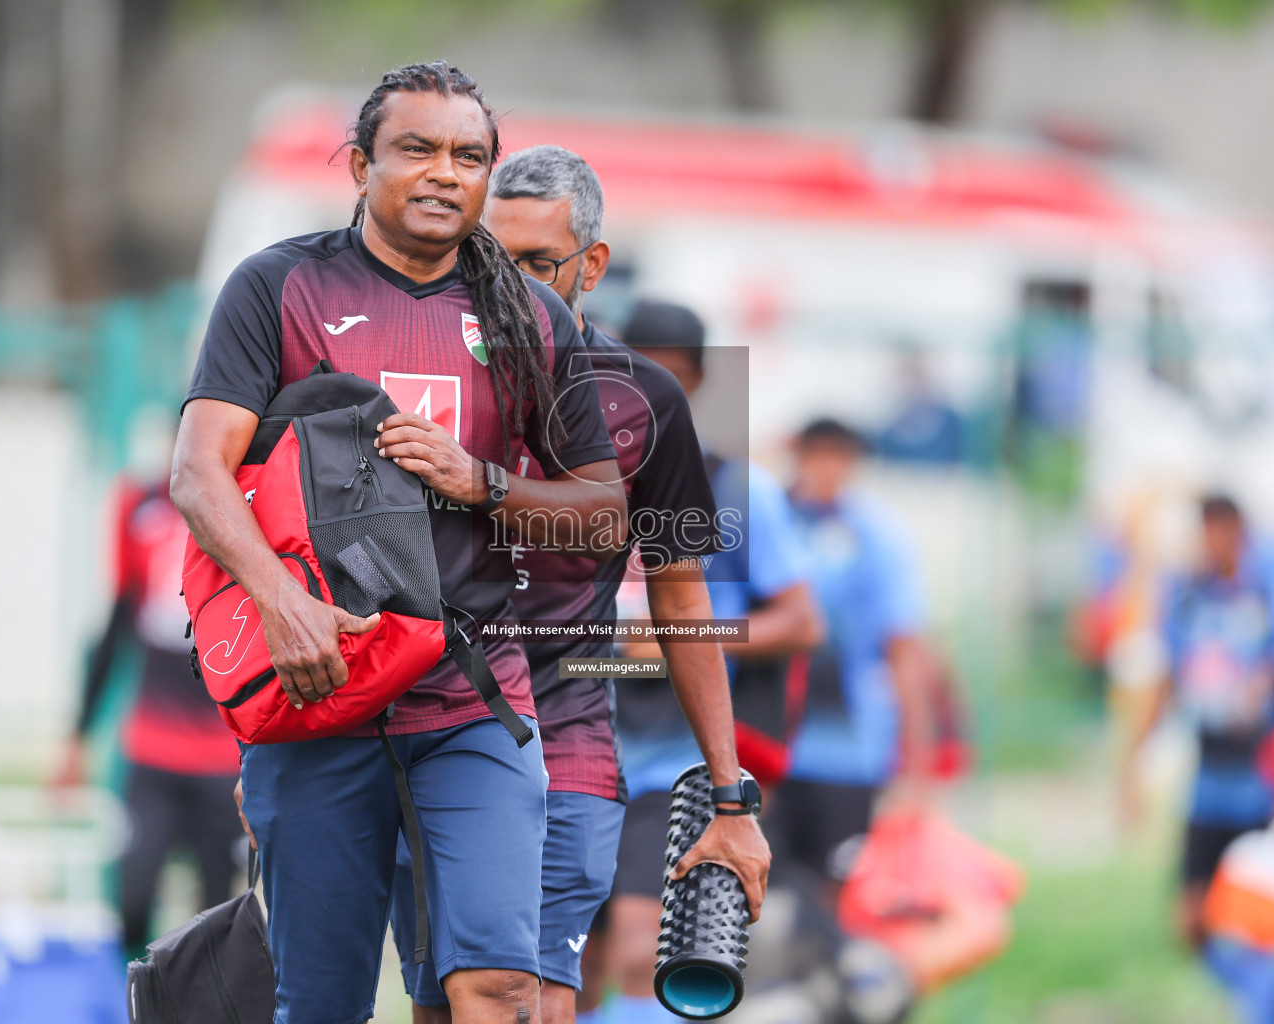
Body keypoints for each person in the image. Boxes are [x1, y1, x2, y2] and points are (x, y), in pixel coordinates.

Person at [170, 62, 628, 1024]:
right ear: (359, 164)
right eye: (415, 149)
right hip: (319, 687)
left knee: (498, 984)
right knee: (325, 1004)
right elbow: (199, 471)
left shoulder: (530, 317)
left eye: (469, 156)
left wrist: (483, 482)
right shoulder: (279, 286)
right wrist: (279, 600)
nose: (443, 173)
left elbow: (604, 511)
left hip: (471, 698)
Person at [389, 144, 771, 1024]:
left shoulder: (647, 400)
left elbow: (682, 595)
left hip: (567, 739)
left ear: (592, 266)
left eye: (536, 264)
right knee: (445, 1005)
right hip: (424, 733)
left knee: (534, 1002)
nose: (508, 286)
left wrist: (728, 792)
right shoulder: (422, 380)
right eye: (490, 257)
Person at [607, 299, 823, 1024]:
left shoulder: (735, 487)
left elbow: (801, 620)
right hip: (574, 739)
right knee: (560, 960)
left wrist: (686, 631)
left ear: (696, 382)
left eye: (667, 380)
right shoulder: (570, 476)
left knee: (644, 947)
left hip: (672, 757)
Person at [1119, 495, 1274, 1023]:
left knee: (1269, 918)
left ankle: (1268, 1005)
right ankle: (1255, 997)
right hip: (1208, 781)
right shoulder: (1188, 597)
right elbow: (1165, 678)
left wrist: (1268, 682)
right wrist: (1133, 765)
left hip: (1261, 781)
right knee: (1192, 918)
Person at [56, 476, 243, 957]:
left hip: (223, 757)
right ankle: (133, 998)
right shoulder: (140, 508)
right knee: (133, 899)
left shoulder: (249, 506)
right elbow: (117, 623)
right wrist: (77, 738)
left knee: (217, 915)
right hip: (152, 750)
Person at [776, 418, 935, 894]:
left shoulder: (878, 537)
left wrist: (916, 764)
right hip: (766, 742)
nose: (827, 467)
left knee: (839, 885)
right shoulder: (768, 522)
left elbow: (904, 647)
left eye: (839, 455)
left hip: (847, 748)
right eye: (816, 453)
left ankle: (828, 967)